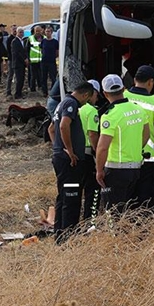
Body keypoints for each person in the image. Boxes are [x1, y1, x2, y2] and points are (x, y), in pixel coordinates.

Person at [47, 81, 97, 243]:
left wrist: (58, 147)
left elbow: (51, 129)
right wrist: (69, 149)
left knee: (63, 197)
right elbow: (63, 126)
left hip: (60, 158)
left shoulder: (62, 103)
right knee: (71, 198)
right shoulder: (71, 104)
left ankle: (60, 236)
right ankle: (68, 237)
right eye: (87, 99)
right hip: (69, 161)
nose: (86, 103)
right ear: (85, 94)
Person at [95, 74, 150, 215]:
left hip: (115, 170)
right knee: (129, 210)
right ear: (124, 89)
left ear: (105, 93)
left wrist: (99, 170)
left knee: (112, 212)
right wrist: (134, 148)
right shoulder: (139, 110)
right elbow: (146, 135)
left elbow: (102, 147)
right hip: (136, 168)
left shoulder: (110, 116)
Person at [124, 65, 154, 210]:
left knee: (127, 202)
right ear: (151, 82)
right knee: (146, 203)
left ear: (134, 80)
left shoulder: (122, 97)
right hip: (148, 160)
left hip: (124, 158)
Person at [79, 79, 102, 220]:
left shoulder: (77, 107)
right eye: (96, 95)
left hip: (77, 153)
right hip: (88, 154)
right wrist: (98, 152)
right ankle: (90, 219)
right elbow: (92, 134)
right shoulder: (92, 111)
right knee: (93, 190)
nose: (97, 99)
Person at [40, 26, 59, 97]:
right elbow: (42, 50)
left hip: (52, 62)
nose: (47, 33)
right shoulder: (43, 41)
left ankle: (53, 92)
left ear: (51, 32)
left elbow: (57, 52)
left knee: (53, 77)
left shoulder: (55, 42)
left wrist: (53, 57)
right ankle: (44, 92)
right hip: (44, 62)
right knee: (43, 77)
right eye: (46, 31)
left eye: (49, 31)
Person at [25, 25, 44, 94]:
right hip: (33, 61)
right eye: (36, 31)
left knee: (41, 75)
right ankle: (32, 89)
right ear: (34, 31)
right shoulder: (30, 38)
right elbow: (27, 49)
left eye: (39, 31)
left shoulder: (44, 38)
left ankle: (40, 87)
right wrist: (27, 58)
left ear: (41, 31)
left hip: (41, 60)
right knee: (33, 75)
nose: (38, 32)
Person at [9, 27, 27, 99]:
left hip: (22, 64)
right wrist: (24, 59)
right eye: (20, 32)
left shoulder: (23, 41)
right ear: (17, 33)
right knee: (19, 79)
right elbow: (17, 53)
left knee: (22, 79)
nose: (21, 33)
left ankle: (20, 93)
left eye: (22, 32)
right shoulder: (15, 41)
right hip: (17, 63)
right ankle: (17, 94)